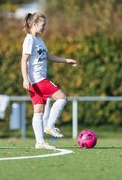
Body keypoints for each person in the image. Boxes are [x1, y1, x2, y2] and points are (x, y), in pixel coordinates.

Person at [21, 12, 77, 149]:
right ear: (34, 24)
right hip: (38, 79)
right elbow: (24, 60)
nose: (44, 27)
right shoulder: (29, 39)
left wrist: (66, 61)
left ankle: (39, 142)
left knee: (38, 110)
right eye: (43, 25)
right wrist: (25, 79)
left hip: (37, 80)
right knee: (62, 97)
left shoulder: (39, 40)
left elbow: (48, 56)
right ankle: (50, 126)